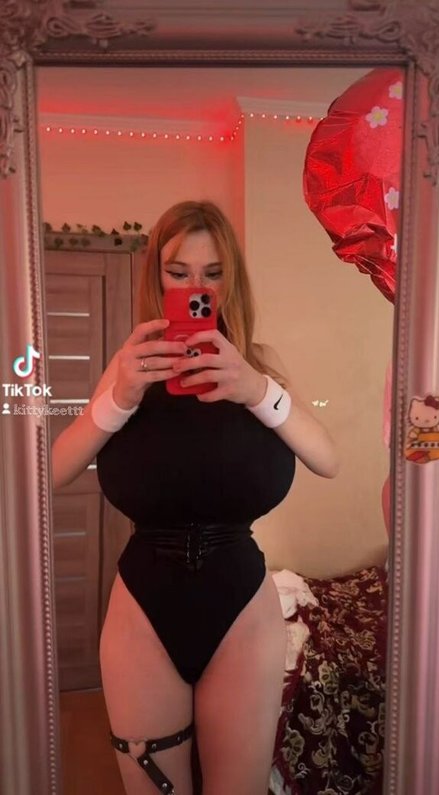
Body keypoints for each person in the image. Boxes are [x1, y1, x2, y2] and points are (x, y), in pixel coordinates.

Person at [52, 200, 339, 795]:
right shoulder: (127, 370)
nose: (195, 289)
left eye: (212, 274)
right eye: (178, 272)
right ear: (156, 277)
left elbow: (327, 460)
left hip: (242, 607)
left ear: (232, 281)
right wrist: (120, 397)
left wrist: (255, 389)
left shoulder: (258, 367)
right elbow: (50, 474)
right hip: (143, 609)